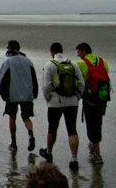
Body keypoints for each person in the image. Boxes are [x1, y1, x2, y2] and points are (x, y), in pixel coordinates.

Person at [39, 42, 84, 170]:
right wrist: (77, 97)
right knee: (72, 130)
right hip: (72, 101)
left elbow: (46, 86)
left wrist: (48, 99)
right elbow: (81, 83)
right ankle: (74, 158)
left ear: (52, 52)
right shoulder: (73, 64)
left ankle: (48, 152)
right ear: (62, 51)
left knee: (52, 128)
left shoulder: (49, 65)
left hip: (54, 102)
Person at [0, 39, 38, 152]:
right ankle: (30, 134)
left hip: (12, 95)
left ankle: (14, 142)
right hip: (27, 94)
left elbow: (2, 80)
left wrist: (3, 95)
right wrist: (34, 93)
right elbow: (34, 78)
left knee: (12, 117)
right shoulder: (28, 61)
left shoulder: (8, 62)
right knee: (26, 117)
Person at [76, 42, 110, 164]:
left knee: (91, 126)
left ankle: (97, 154)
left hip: (89, 100)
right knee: (98, 123)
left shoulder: (81, 63)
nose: (78, 55)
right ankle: (92, 146)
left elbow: (78, 82)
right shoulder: (103, 61)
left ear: (84, 51)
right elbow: (107, 78)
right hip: (102, 99)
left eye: (79, 52)